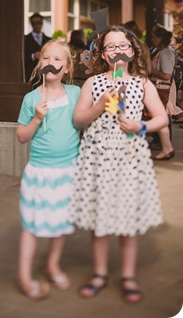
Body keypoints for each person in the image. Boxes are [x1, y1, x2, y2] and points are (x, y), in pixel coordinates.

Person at [69, 25, 168, 303]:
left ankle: (127, 275)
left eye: (122, 46)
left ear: (132, 49)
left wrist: (141, 125)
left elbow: (161, 117)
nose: (117, 51)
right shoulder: (92, 83)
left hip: (128, 157)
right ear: (102, 53)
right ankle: (99, 273)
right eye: (110, 47)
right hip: (98, 157)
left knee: (128, 220)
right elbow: (78, 120)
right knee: (99, 219)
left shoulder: (142, 83)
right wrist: (99, 106)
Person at [16, 39, 80, 300]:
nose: (51, 64)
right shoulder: (32, 98)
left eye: (57, 60)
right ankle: (23, 274)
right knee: (31, 226)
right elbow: (22, 136)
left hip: (68, 171)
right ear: (39, 63)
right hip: (40, 173)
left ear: (66, 68)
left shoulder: (75, 94)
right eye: (46, 58)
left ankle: (52, 264)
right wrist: (37, 119)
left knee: (61, 222)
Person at [150, 24, 178, 160]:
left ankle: (164, 144)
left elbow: (167, 75)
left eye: (154, 37)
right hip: (161, 89)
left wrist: (151, 71)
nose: (151, 39)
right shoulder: (162, 51)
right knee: (162, 115)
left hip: (163, 89)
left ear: (160, 38)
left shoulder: (165, 52)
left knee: (162, 116)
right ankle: (162, 143)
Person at [24, 12, 50, 82]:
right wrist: (33, 56)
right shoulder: (24, 39)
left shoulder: (49, 40)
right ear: (31, 24)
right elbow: (21, 58)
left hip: (45, 75)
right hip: (31, 75)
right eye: (34, 23)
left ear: (42, 23)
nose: (36, 25)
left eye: (39, 23)